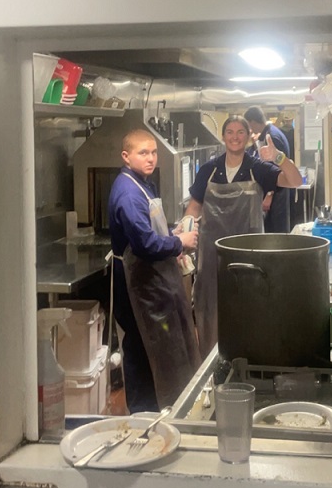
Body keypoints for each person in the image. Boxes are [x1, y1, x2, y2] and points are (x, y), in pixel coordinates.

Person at [186, 115, 302, 358]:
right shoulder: (209, 169)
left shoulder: (257, 167)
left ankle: (246, 364)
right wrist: (186, 226)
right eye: (230, 131)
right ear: (223, 136)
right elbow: (195, 205)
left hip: (248, 256)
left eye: (240, 132)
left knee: (248, 309)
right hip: (211, 258)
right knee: (211, 311)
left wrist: (279, 157)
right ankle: (212, 367)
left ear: (250, 136)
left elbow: (295, 180)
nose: (235, 136)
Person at [108, 128, 200, 413]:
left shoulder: (143, 183)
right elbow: (145, 243)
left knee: (155, 346)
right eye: (142, 153)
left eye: (153, 152)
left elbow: (149, 231)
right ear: (126, 156)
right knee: (139, 346)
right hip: (135, 283)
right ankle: (142, 415)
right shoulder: (127, 193)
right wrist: (178, 242)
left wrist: (169, 233)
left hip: (152, 279)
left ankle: (162, 407)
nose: (150, 159)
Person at [243, 106, 292, 233]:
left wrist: (269, 195)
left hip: (276, 193)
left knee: (276, 231)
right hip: (276, 191)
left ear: (252, 122)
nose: (250, 130)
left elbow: (274, 168)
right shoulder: (270, 132)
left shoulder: (272, 137)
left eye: (248, 125)